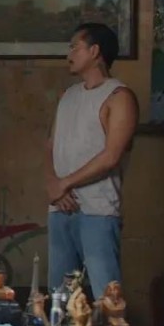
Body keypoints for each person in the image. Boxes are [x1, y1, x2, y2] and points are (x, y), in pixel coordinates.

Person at [46, 22, 139, 300]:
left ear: (95, 51)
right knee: (59, 297)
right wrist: (54, 186)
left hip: (97, 211)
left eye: (75, 47)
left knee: (106, 296)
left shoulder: (119, 97)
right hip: (60, 208)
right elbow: (51, 146)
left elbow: (111, 156)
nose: (69, 55)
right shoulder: (68, 95)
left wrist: (64, 183)